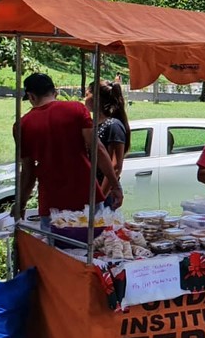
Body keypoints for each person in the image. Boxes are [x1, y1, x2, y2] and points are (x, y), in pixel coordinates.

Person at [16, 73, 124, 228]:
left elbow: (28, 172)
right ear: (55, 92)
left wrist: (21, 205)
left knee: (55, 250)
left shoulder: (22, 125)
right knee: (96, 245)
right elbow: (98, 149)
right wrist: (115, 185)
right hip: (87, 197)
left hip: (51, 202)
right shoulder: (76, 109)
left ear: (31, 96)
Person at [85, 79, 130, 208]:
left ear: (96, 98)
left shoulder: (113, 125)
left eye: (87, 94)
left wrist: (100, 198)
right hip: (91, 190)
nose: (84, 98)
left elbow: (115, 166)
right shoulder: (92, 125)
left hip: (103, 193)